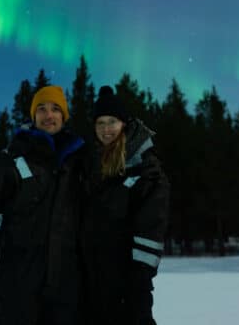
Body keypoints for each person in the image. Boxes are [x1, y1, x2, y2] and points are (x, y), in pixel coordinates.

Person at [0, 85, 86, 325]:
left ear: (64, 116)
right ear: (33, 116)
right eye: (42, 109)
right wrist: (15, 247)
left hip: (65, 284)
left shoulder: (79, 160)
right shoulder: (11, 157)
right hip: (18, 283)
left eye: (55, 109)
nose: (49, 115)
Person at [80, 86, 169, 325]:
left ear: (124, 123)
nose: (106, 129)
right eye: (100, 123)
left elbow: (152, 225)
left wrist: (139, 280)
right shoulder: (93, 165)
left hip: (129, 284)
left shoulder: (145, 168)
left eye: (112, 121)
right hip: (94, 283)